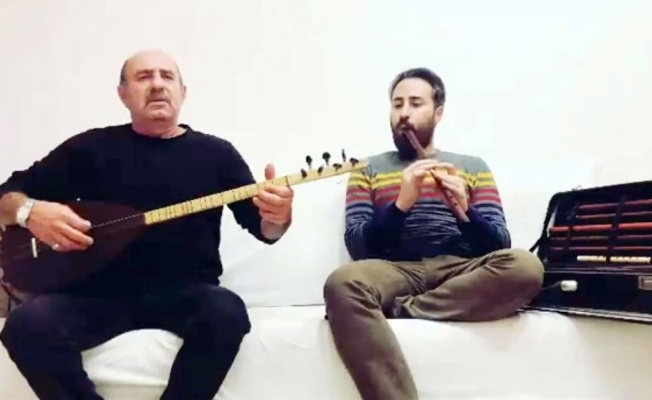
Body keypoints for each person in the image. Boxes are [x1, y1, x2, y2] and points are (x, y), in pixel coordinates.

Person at [0, 50, 294, 400]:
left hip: (185, 293)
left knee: (226, 313)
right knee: (25, 325)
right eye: (143, 77)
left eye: (167, 76)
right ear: (123, 94)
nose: (157, 85)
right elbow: (7, 194)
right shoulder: (90, 148)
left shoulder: (217, 154)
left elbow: (264, 229)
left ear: (183, 92)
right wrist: (30, 211)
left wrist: (279, 216)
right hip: (95, 296)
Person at [323, 68, 545, 400]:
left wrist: (465, 210)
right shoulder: (366, 168)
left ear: (437, 113)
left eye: (415, 103)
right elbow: (358, 245)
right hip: (396, 270)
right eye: (397, 104)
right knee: (342, 283)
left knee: (526, 266)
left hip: (461, 268)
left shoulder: (472, 166)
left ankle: (406, 309)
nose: (404, 113)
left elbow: (499, 243)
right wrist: (401, 204)